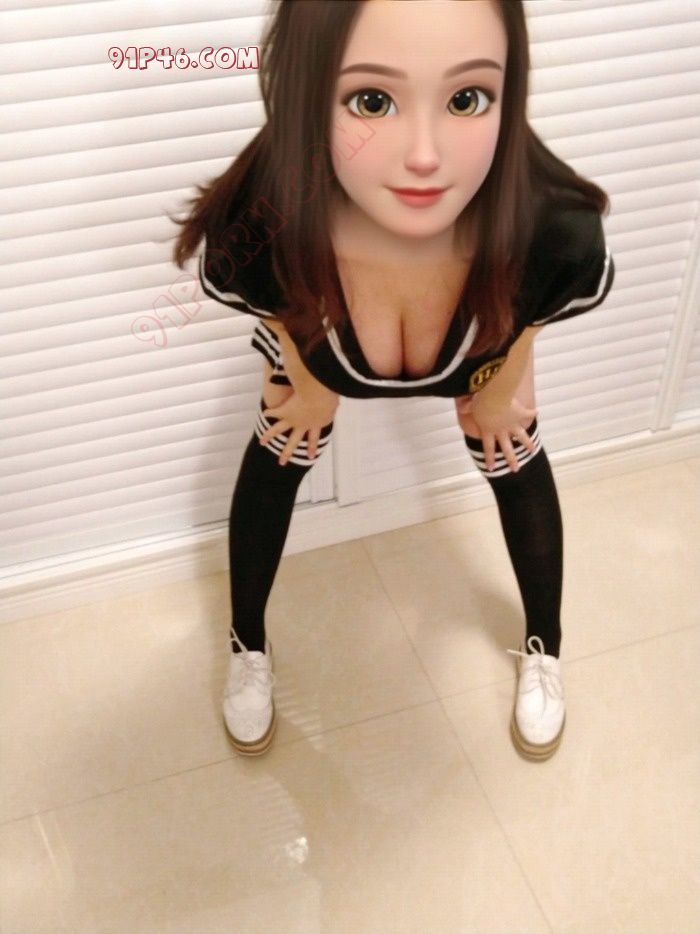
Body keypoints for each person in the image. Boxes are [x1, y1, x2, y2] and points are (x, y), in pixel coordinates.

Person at [170, 0, 615, 762]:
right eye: (372, 100)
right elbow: (262, 297)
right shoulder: (263, 217)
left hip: (486, 346)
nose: (425, 158)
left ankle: (545, 645)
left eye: (466, 97)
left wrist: (504, 379)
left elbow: (544, 302)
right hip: (314, 343)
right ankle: (248, 644)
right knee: (281, 446)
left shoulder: (552, 226)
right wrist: (308, 376)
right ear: (309, 92)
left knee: (514, 452)